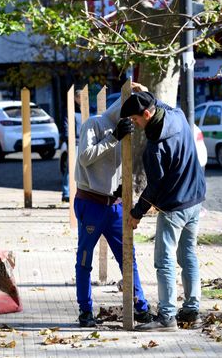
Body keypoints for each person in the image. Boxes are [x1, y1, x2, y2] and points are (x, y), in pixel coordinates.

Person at [121, 91, 206, 332]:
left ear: (147, 114)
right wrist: (143, 91)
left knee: (164, 261)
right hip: (196, 199)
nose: (135, 125)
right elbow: (160, 104)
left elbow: (155, 188)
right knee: (188, 255)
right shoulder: (176, 116)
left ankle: (167, 316)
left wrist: (136, 213)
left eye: (136, 120)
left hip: (174, 208)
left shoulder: (154, 148)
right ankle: (191, 310)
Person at [73, 86, 153, 327]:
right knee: (85, 259)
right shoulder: (94, 124)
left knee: (128, 257)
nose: (135, 121)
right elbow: (85, 157)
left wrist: (122, 186)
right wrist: (113, 138)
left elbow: (121, 163)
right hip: (91, 202)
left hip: (115, 204)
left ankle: (140, 307)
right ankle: (85, 310)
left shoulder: (128, 127)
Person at [60, 90, 83, 202]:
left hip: (84, 143)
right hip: (74, 143)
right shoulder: (70, 111)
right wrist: (69, 143)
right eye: (80, 97)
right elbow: (66, 128)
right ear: (75, 98)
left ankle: (79, 192)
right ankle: (66, 193)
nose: (82, 99)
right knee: (70, 169)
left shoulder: (86, 110)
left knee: (82, 169)